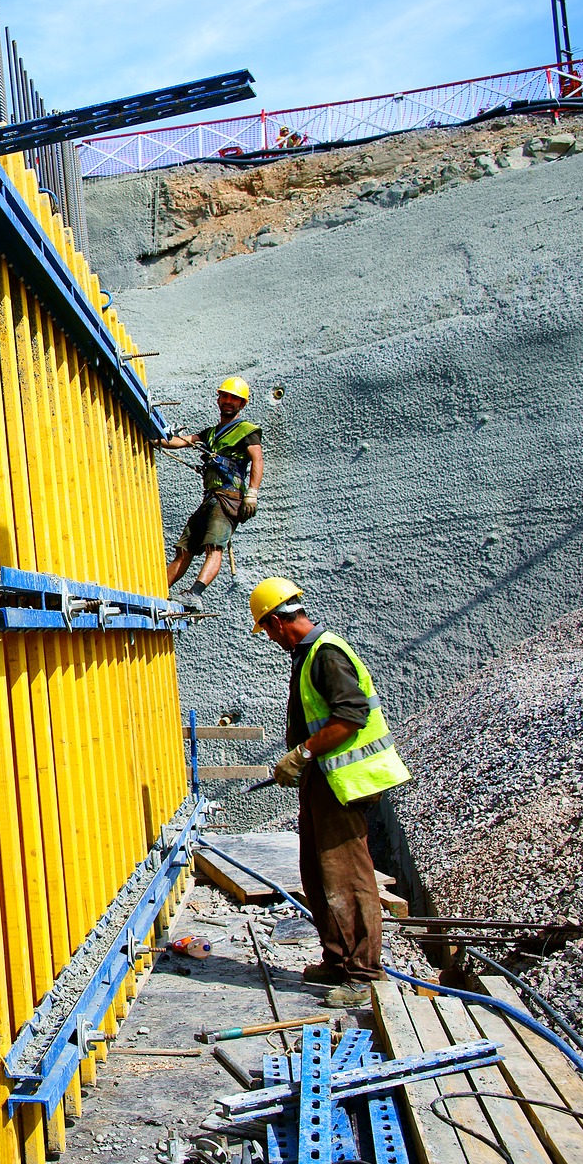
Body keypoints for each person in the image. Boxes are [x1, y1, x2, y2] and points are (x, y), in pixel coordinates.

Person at [248, 576, 413, 1009]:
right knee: (318, 875)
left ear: (278, 622)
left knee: (349, 879)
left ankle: (363, 974)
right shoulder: (308, 655)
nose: (270, 638)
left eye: (266, 630)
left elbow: (350, 717)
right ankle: (338, 960)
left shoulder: (326, 655)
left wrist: (301, 753)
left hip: (342, 785)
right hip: (322, 783)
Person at [151, 376, 264, 610]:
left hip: (229, 499)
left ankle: (195, 594)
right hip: (211, 498)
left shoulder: (247, 431)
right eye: (225, 396)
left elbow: (257, 460)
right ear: (218, 399)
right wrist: (154, 440)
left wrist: (252, 493)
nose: (229, 401)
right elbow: (183, 442)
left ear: (242, 404)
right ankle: (156, 592)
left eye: (235, 398)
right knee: (184, 549)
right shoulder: (212, 433)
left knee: (214, 547)